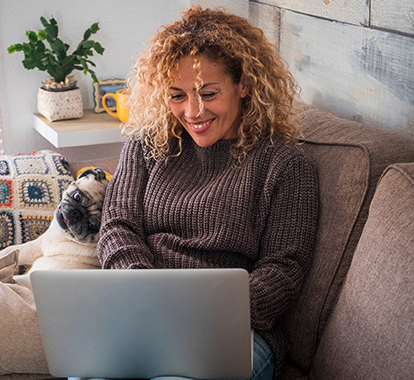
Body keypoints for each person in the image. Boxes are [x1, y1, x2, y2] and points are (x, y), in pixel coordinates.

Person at [97, 6, 320, 380]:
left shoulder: (284, 163)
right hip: (144, 312)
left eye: (208, 93)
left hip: (233, 328)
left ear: (244, 84)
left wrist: (202, 312)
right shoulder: (147, 145)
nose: (193, 111)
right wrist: (142, 289)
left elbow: (284, 269)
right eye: (177, 95)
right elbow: (117, 225)